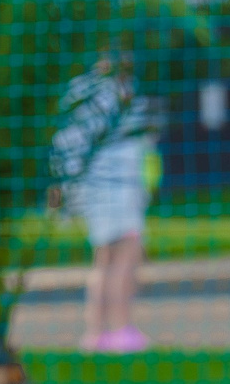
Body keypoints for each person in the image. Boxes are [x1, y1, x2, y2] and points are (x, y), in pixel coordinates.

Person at [55, 53, 159, 354]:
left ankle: (96, 332)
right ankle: (120, 328)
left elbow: (68, 146)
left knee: (103, 261)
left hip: (96, 190)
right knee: (125, 258)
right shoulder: (115, 94)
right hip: (118, 189)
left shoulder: (80, 92)